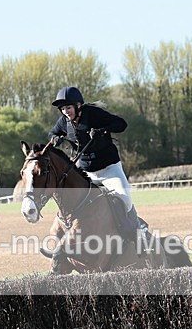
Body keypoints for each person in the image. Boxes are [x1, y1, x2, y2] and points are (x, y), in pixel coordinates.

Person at [47, 86, 139, 237]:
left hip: (109, 169)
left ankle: (136, 231)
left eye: (68, 107)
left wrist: (103, 130)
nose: (65, 112)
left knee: (125, 199)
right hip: (86, 173)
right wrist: (54, 138)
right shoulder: (64, 122)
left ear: (78, 105)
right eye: (62, 109)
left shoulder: (94, 114)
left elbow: (121, 124)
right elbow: (52, 133)